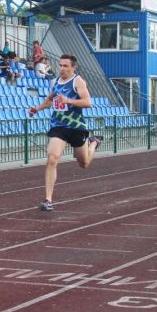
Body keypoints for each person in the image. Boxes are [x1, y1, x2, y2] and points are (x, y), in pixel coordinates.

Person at [27, 54, 101, 211]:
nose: (61, 68)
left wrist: (68, 101)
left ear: (73, 68)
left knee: (84, 163)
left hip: (76, 127)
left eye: (65, 66)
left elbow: (88, 102)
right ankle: (48, 200)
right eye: (60, 65)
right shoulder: (55, 82)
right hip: (58, 126)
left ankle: (93, 143)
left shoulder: (78, 81)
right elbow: (49, 100)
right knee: (52, 158)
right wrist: (37, 109)